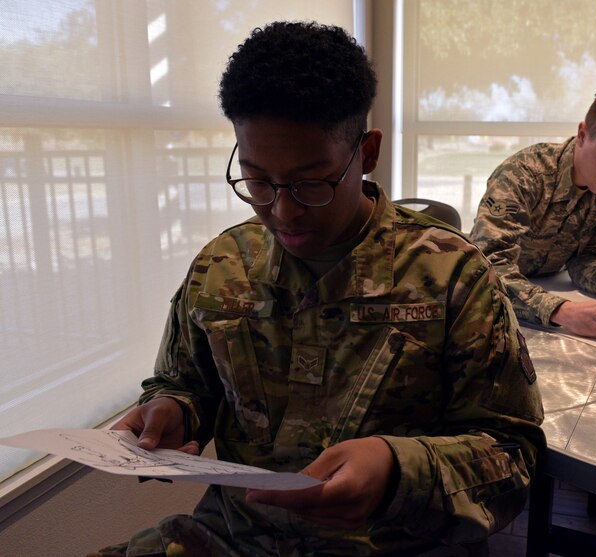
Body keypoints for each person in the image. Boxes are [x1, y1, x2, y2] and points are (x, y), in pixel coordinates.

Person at [90, 21, 544, 557]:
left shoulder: (452, 277)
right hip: (236, 536)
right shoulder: (223, 265)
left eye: (312, 182)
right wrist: (171, 409)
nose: (283, 210)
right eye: (257, 181)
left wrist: (400, 469)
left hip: (391, 543)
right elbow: (185, 382)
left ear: (367, 152)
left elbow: (514, 455)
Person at [469, 79, 596, 339]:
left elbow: (590, 256)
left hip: (549, 295)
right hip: (493, 326)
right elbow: (486, 269)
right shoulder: (523, 175)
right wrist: (562, 311)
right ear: (583, 134)